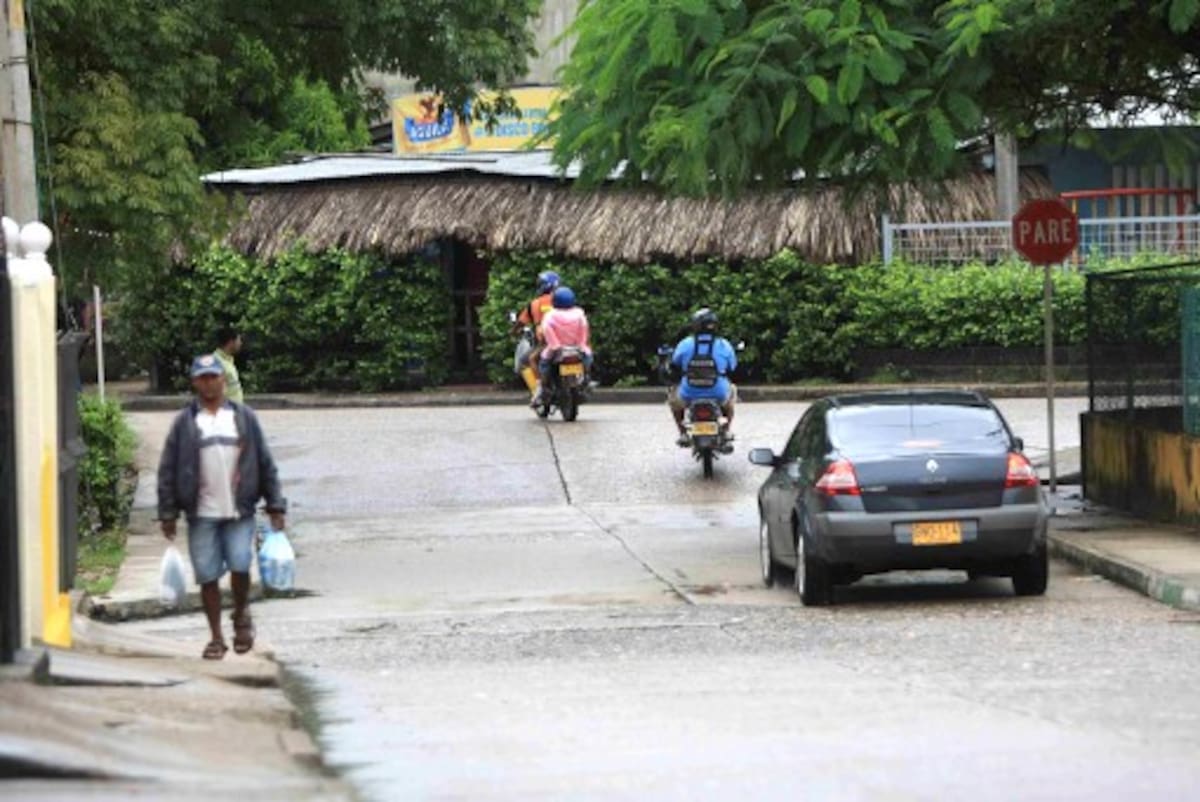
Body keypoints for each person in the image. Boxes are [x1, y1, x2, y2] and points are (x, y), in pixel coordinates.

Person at [157, 354, 286, 660]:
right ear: (194, 382)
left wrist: (275, 504)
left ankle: (241, 614)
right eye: (202, 378)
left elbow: (265, 462)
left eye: (214, 377)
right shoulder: (185, 423)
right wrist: (168, 512)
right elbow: (168, 469)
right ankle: (216, 637)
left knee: (241, 565)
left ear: (223, 380)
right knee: (207, 575)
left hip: (239, 510)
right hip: (201, 512)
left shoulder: (243, 418)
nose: (209, 383)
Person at [668, 308, 738, 447]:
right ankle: (727, 430)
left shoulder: (685, 344)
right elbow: (732, 367)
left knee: (673, 400)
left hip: (688, 394)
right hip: (719, 394)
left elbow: (674, 364)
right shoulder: (724, 344)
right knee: (732, 392)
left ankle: (683, 433)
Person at [535, 285, 593, 406]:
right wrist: (581, 344)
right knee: (588, 359)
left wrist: (555, 345)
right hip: (577, 348)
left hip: (557, 349)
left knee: (544, 363)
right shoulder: (579, 313)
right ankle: (587, 379)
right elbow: (584, 329)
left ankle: (543, 387)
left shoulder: (551, 315)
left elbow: (546, 330)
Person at [512, 271, 560, 398]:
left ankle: (539, 390)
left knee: (525, 361)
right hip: (568, 341)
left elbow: (521, 322)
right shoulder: (563, 300)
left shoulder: (535, 303)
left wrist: (513, 331)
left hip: (546, 342)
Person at [212, 326, 244, 404]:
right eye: (238, 340)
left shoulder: (228, 361)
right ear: (231, 342)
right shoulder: (216, 362)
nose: (240, 343)